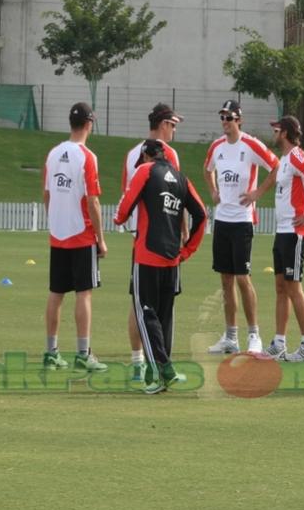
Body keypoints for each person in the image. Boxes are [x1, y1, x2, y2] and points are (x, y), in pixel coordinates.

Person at [115, 139, 206, 393]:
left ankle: (162, 368)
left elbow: (124, 208)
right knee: (164, 317)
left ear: (146, 155)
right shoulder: (181, 178)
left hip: (146, 255)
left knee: (146, 313)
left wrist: (118, 217)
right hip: (172, 259)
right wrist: (187, 250)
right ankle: (158, 378)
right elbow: (202, 215)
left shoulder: (144, 171)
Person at [242, 115, 304, 362]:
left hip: (296, 233)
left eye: (277, 129)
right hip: (283, 232)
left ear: (286, 133)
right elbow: (274, 176)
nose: (274, 133)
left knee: (293, 287)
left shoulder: (297, 156)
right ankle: (279, 343)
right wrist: (257, 193)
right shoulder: (285, 160)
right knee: (281, 287)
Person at [203, 99, 278, 355]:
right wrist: (213, 191)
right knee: (225, 280)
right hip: (222, 220)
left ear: (239, 120)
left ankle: (254, 334)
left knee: (243, 279)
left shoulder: (251, 144)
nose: (225, 122)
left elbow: (276, 167)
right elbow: (207, 170)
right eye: (222, 117)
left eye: (230, 117)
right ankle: (230, 336)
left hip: (242, 221)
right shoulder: (217, 147)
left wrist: (257, 193)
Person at [42, 102, 108, 372]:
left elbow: (46, 194)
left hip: (58, 234)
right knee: (84, 293)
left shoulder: (53, 153)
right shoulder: (87, 157)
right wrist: (101, 239)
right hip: (81, 234)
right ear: (89, 124)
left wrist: (55, 218)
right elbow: (93, 201)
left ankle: (51, 352)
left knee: (56, 293)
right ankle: (83, 353)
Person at [120, 102, 183, 381]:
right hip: (164, 240)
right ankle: (160, 363)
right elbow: (176, 197)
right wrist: (181, 233)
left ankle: (138, 362)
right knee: (163, 306)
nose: (174, 131)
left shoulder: (132, 154)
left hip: (139, 238)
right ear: (164, 124)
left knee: (139, 302)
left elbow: (127, 195)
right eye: (173, 125)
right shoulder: (168, 154)